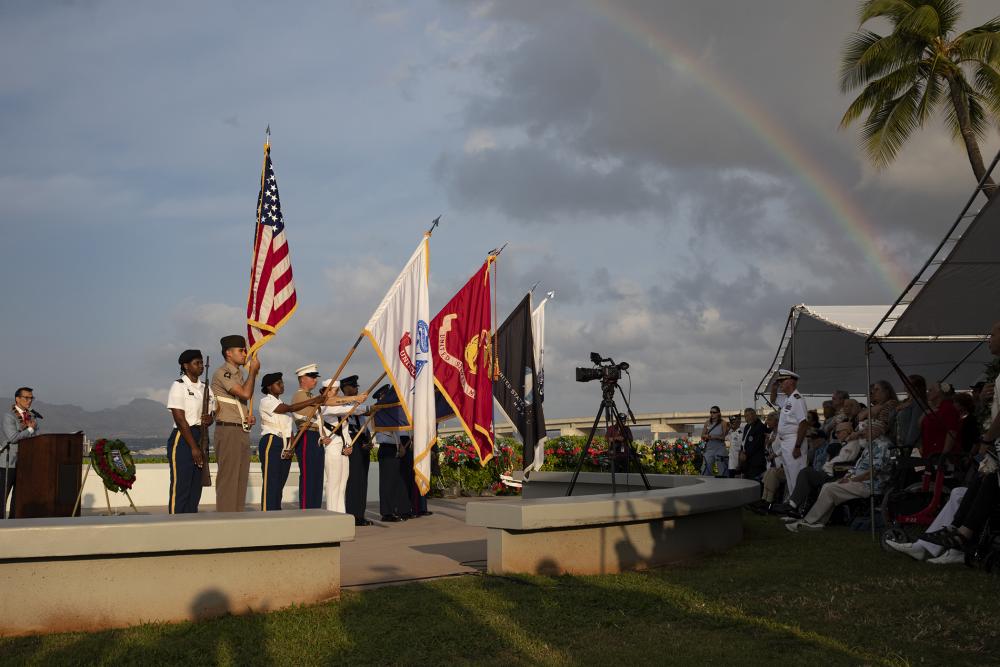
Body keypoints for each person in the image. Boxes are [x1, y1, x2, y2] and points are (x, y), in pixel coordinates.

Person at [258, 372, 324, 511]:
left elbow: (288, 429)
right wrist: (313, 401)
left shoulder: (280, 402)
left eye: (282, 382)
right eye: (278, 383)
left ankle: (275, 511)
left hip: (285, 444)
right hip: (272, 440)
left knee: (280, 481)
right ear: (269, 387)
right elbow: (289, 408)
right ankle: (267, 512)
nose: (282, 385)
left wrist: (291, 447)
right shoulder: (266, 401)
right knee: (271, 481)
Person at [211, 335, 259, 512]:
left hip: (240, 429)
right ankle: (225, 519)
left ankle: (237, 518)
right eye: (241, 350)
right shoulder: (223, 372)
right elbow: (245, 394)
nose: (245, 354)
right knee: (229, 479)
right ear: (228, 353)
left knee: (240, 478)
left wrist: (246, 415)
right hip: (228, 430)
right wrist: (253, 372)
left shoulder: (238, 375)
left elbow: (238, 401)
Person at [166, 350, 215, 514]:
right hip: (183, 437)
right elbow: (180, 419)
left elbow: (213, 410)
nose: (201, 366)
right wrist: (194, 448)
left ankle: (190, 523)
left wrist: (210, 418)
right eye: (197, 363)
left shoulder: (205, 387)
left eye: (201, 363)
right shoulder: (179, 386)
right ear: (186, 366)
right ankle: (175, 523)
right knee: (181, 486)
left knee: (195, 487)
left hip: (201, 435)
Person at [319, 376, 368, 514]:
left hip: (343, 448)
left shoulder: (340, 406)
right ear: (327, 391)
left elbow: (355, 411)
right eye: (335, 391)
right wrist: (356, 399)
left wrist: (349, 445)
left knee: (342, 484)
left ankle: (340, 513)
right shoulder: (324, 406)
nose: (338, 393)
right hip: (333, 447)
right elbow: (349, 409)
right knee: (333, 483)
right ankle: (331, 513)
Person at [769, 369, 809, 498]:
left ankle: (800, 505)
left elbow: (803, 423)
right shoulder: (788, 399)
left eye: (782, 381)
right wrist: (774, 388)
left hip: (794, 441)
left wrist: (797, 446)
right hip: (786, 442)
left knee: (796, 475)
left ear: (791, 382)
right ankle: (793, 504)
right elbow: (773, 400)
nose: (780, 384)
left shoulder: (797, 399)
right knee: (790, 475)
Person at [292, 364, 326, 509]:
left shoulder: (312, 396)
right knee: (308, 475)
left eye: (315, 377)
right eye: (312, 377)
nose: (315, 380)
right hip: (306, 435)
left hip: (316, 435)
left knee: (317, 476)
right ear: (302, 379)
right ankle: (306, 509)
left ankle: (315, 508)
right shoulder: (300, 395)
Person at [2, 387, 39, 519]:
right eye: (26, 398)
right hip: (8, 463)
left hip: (25, 462)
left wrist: (33, 432)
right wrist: (30, 430)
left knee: (19, 497)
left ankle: (14, 521)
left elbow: (36, 438)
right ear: (17, 399)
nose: (29, 401)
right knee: (2, 496)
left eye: (31, 398)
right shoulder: (9, 416)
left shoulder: (32, 417)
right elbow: (12, 438)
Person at [342, 376, 375, 526]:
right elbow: (357, 413)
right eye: (354, 387)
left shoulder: (357, 404)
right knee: (354, 481)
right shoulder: (342, 403)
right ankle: (352, 515)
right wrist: (372, 408)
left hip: (361, 441)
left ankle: (360, 514)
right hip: (351, 442)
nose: (356, 389)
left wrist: (368, 440)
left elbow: (363, 425)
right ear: (346, 388)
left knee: (362, 481)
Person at [700, 406, 729, 477]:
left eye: (714, 412)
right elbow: (702, 435)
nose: (712, 414)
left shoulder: (723, 423)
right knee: (706, 469)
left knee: (722, 469)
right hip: (709, 448)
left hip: (720, 448)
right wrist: (707, 436)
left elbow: (723, 437)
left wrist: (713, 437)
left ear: (718, 413)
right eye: (711, 412)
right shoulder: (707, 423)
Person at [740, 408, 768, 480]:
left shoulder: (760, 427)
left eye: (749, 415)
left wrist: (746, 454)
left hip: (756, 462)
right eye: (745, 416)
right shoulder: (747, 427)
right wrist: (741, 452)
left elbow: (756, 445)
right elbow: (744, 442)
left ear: (755, 415)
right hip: (747, 463)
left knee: (755, 482)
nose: (747, 418)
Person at [726, 413, 744, 478]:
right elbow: (723, 437)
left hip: (737, 465)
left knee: (737, 482)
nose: (732, 424)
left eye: (734, 422)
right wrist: (728, 428)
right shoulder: (731, 433)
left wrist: (739, 465)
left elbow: (742, 450)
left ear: (739, 423)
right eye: (731, 422)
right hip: (731, 464)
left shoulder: (740, 434)